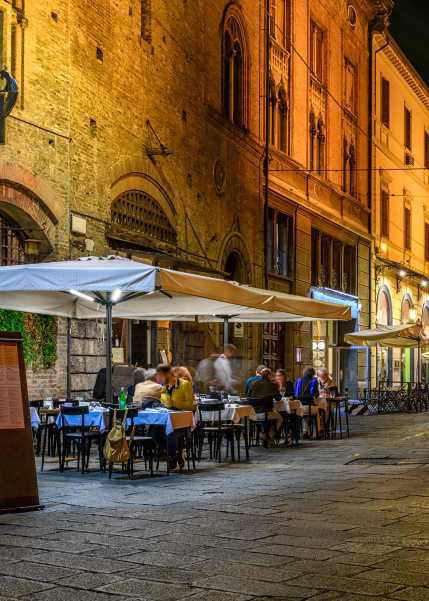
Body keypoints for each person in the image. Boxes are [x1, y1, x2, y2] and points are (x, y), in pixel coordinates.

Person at [155, 364, 195, 470]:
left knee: (170, 431)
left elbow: (190, 405)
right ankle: (176, 453)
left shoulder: (185, 385)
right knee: (152, 431)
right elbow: (162, 400)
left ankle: (172, 457)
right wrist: (165, 403)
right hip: (167, 418)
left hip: (182, 420)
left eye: (161, 376)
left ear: (169, 375)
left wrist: (173, 403)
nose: (159, 379)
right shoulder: (164, 387)